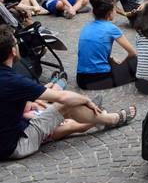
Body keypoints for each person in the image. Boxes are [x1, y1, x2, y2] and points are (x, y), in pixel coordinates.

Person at [0, 25, 136, 161]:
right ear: (13, 51)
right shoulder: (14, 81)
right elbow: (62, 98)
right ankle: (113, 119)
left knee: (55, 111)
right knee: (66, 105)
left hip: (12, 133)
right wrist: (85, 100)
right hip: (16, 145)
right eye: (16, 43)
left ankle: (94, 120)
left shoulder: (13, 81)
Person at [76, 0, 137, 90]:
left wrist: (109, 59)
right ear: (109, 13)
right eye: (115, 9)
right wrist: (122, 64)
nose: (116, 12)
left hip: (81, 79)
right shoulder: (111, 28)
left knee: (113, 62)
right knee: (136, 62)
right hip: (99, 80)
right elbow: (133, 53)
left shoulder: (87, 26)